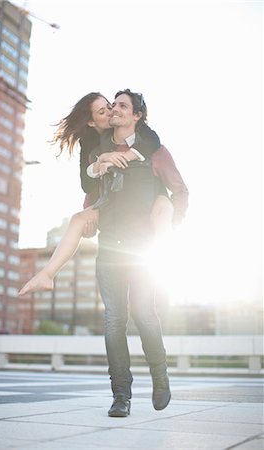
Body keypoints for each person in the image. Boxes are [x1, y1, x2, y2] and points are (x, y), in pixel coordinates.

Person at [89, 89, 188, 417]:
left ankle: (160, 378)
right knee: (114, 320)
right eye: (113, 105)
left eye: (122, 106)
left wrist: (171, 223)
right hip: (108, 248)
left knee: (144, 314)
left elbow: (181, 190)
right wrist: (87, 211)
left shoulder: (155, 151)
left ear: (137, 116)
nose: (114, 109)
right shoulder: (100, 150)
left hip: (144, 251)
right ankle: (121, 395)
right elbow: (92, 191)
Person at [18, 92, 174, 296]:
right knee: (77, 220)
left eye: (110, 106)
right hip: (114, 199)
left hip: (148, 196)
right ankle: (47, 274)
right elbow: (87, 183)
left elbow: (153, 140)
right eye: (103, 111)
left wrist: (124, 156)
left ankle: (162, 268)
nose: (111, 111)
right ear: (92, 122)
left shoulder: (136, 129)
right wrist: (101, 160)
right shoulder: (91, 141)